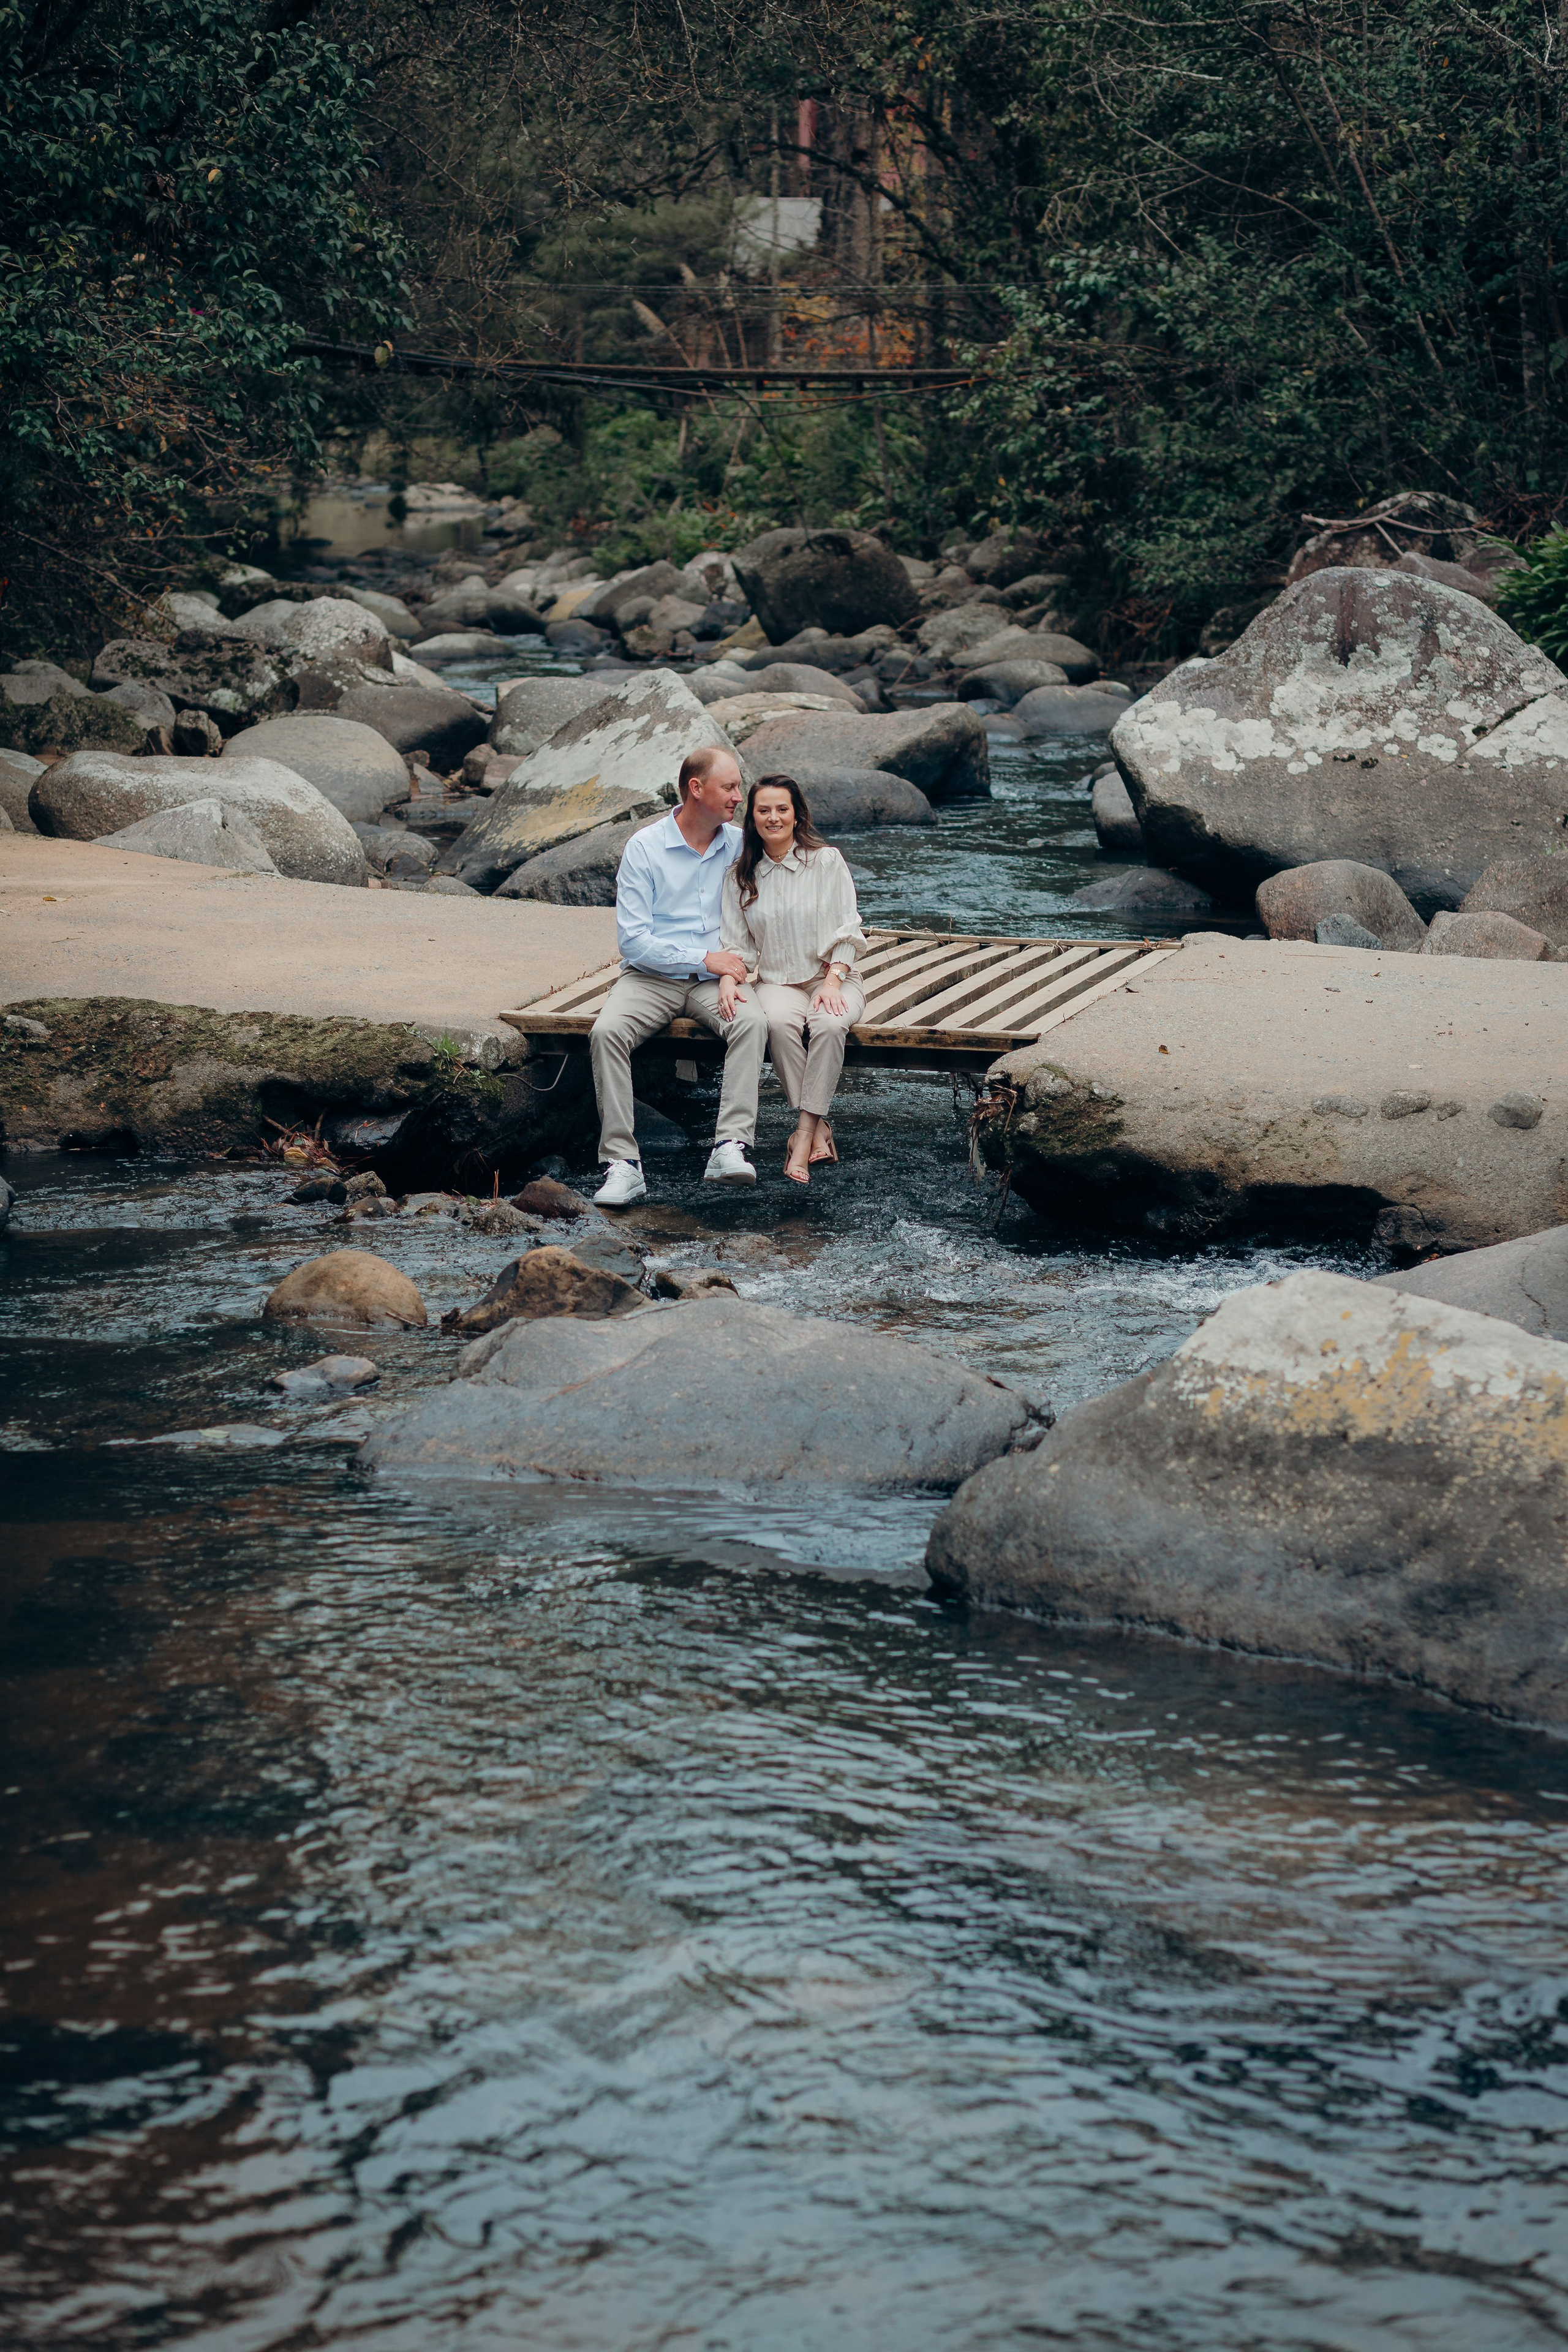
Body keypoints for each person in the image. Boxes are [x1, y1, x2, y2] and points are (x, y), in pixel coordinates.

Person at [588, 744, 767, 1206]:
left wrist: (727, 969)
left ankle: (730, 1146)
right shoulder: (645, 849)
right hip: (653, 977)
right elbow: (634, 942)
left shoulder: (740, 844)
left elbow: (758, 914)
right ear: (696, 788)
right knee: (606, 1032)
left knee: (751, 1022)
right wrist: (705, 959)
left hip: (718, 980)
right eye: (729, 787)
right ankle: (622, 1165)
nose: (737, 797)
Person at [718, 774, 867, 1186]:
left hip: (831, 974)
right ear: (753, 819)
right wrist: (730, 979)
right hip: (776, 982)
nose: (773, 818)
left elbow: (849, 928)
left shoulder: (826, 861)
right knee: (779, 1024)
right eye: (764, 810)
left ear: (797, 814)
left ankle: (802, 1137)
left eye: (782, 809)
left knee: (830, 1022)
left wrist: (834, 981)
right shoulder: (740, 876)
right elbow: (737, 945)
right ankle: (819, 1128)